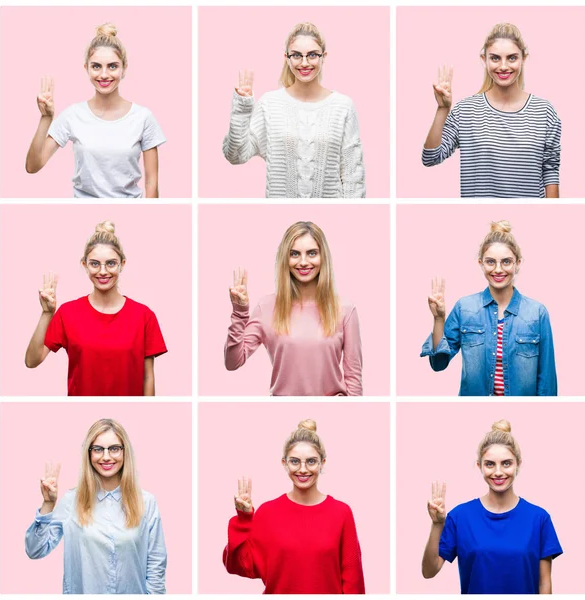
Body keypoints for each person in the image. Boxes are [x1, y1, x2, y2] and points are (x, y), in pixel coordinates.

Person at [223, 22, 365, 198]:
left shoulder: (343, 106)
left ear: (323, 56)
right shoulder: (269, 104)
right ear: (287, 57)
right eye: (297, 55)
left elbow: (353, 177)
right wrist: (242, 109)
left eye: (312, 55)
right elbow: (235, 155)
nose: (304, 63)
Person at [25, 221, 167, 396]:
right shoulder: (68, 313)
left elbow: (148, 377)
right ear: (85, 265)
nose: (102, 271)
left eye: (111, 263)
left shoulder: (144, 316)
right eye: (94, 264)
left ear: (122, 264)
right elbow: (32, 360)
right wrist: (47, 313)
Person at [25, 419, 167, 594]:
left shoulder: (147, 502)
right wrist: (48, 504)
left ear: (125, 452)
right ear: (89, 454)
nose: (106, 456)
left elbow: (156, 565)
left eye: (114, 448)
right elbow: (34, 550)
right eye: (98, 449)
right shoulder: (71, 501)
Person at [223, 419, 365, 594]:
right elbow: (240, 565)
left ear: (323, 463)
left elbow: (353, 581)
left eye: (311, 461)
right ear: (284, 463)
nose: (303, 469)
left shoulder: (341, 513)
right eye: (295, 461)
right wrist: (244, 519)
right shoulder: (268, 513)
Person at [421, 420, 562, 594]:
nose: (498, 472)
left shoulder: (539, 519)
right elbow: (429, 571)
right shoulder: (460, 516)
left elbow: (544, 584)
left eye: (506, 463)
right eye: (490, 464)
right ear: (479, 466)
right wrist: (437, 525)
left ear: (518, 464)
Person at [26, 23, 166, 198]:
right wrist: (46, 118)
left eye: (113, 66)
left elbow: (151, 182)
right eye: (96, 66)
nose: (104, 74)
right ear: (87, 68)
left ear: (124, 68)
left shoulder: (143, 117)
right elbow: (33, 166)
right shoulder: (72, 115)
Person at [422, 23, 561, 198]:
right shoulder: (466, 111)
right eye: (495, 58)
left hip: (530, 218)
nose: (503, 66)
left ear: (523, 59)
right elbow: (430, 157)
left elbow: (550, 171)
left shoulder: (545, 112)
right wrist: (443, 109)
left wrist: (550, 218)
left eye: (512, 58)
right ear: (484, 59)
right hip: (478, 217)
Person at [225, 221, 362, 395]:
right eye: (294, 254)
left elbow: (354, 379)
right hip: (283, 411)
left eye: (312, 253)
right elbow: (232, 362)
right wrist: (239, 311)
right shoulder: (266, 307)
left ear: (323, 257)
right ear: (285, 258)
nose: (303, 262)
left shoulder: (345, 309)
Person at [421, 220, 557, 396]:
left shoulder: (537, 313)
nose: (498, 270)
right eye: (490, 262)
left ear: (518, 263)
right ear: (480, 263)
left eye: (506, 262)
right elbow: (438, 364)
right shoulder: (465, 308)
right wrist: (439, 319)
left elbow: (547, 382)